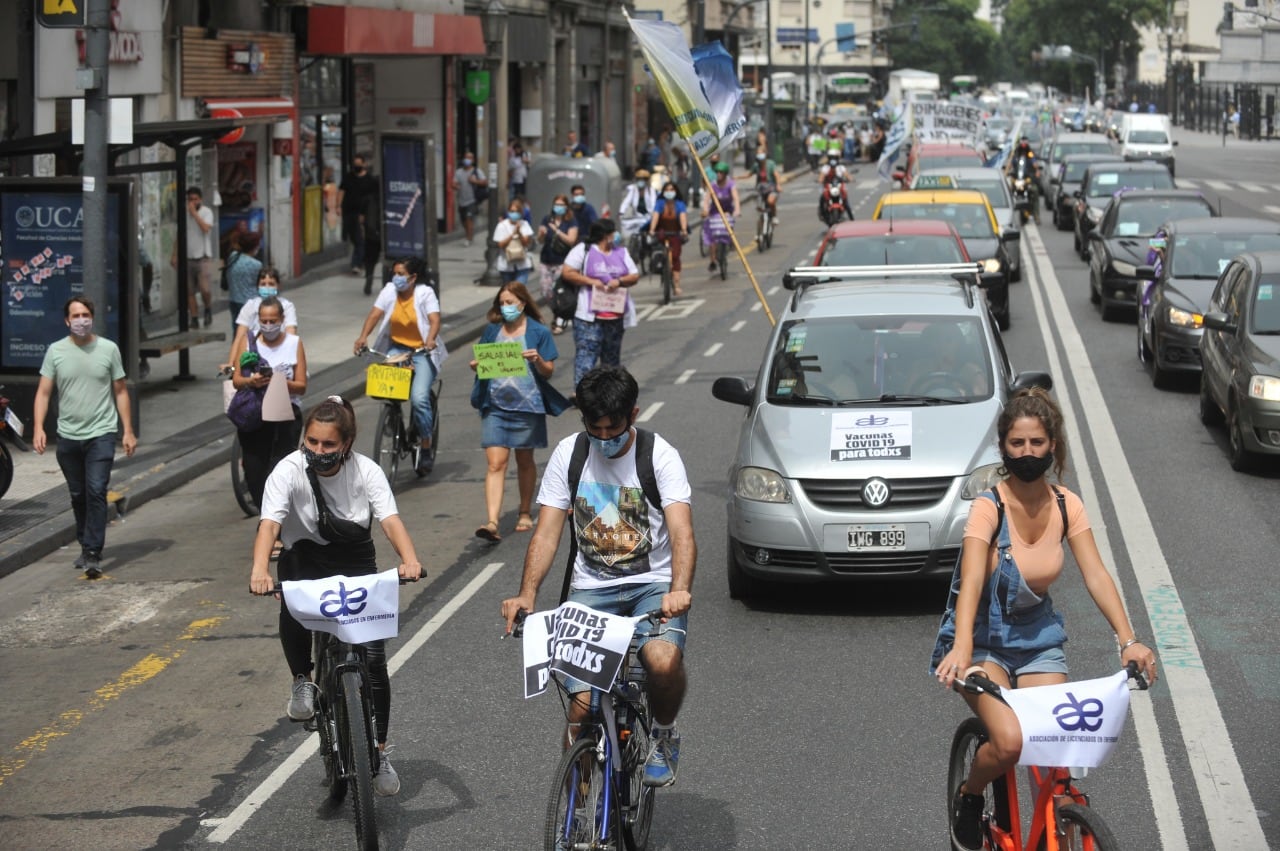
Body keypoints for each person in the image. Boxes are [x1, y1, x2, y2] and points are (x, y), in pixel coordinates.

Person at [930, 388, 1158, 851]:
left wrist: (1128, 640)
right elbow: (971, 580)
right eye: (1017, 444)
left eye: (1037, 443)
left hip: (1038, 640)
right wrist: (961, 650)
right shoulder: (987, 508)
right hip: (984, 642)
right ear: (1003, 447)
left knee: (1054, 751)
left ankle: (1052, 830)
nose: (1027, 453)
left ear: (1052, 445)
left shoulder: (1064, 504)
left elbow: (1095, 573)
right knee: (1011, 743)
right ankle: (971, 795)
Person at [501, 365, 696, 788]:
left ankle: (663, 734)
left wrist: (678, 589)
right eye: (596, 428)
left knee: (662, 662)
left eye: (614, 428)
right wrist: (526, 595)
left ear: (634, 415)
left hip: (653, 585)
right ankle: (581, 808)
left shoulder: (658, 455)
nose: (604, 438)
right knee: (582, 706)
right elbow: (548, 530)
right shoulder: (570, 456)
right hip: (591, 587)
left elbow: (681, 532)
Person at [249, 396, 423, 797]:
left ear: (346, 443)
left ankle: (378, 752)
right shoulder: (288, 471)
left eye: (328, 444)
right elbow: (269, 524)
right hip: (304, 557)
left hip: (354, 557)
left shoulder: (367, 471)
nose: (318, 451)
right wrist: (259, 571)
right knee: (291, 604)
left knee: (374, 660)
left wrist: (410, 560)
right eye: (312, 442)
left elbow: (390, 519)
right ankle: (302, 680)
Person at [32, 296, 138, 578]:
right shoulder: (55, 352)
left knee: (95, 490)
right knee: (78, 494)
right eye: (75, 315)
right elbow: (43, 392)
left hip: (101, 433)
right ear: (67, 321)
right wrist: (39, 428)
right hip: (68, 436)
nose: (81, 320)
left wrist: (127, 430)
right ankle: (84, 543)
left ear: (92, 317)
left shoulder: (108, 349)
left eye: (86, 314)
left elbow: (120, 391)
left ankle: (92, 551)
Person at [469, 283, 571, 542]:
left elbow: (548, 371)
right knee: (495, 463)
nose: (506, 308)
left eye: (511, 303)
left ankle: (524, 511)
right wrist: (477, 365)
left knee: (525, 461)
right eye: (502, 303)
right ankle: (492, 521)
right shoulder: (493, 331)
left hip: (528, 406)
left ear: (523, 304)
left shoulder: (538, 332)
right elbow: (483, 362)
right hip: (495, 406)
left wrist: (537, 360)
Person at [353, 258, 445, 474]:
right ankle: (393, 420)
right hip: (397, 349)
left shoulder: (425, 293)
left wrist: (430, 340)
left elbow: (434, 320)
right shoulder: (389, 291)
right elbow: (375, 314)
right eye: (394, 273)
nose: (396, 278)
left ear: (413, 278)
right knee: (387, 389)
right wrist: (362, 337)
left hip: (422, 351)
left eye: (400, 274)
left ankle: (425, 444)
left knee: (420, 397)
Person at [234, 297, 307, 509]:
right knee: (255, 471)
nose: (268, 326)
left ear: (282, 319)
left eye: (273, 320)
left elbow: (301, 385)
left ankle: (276, 523)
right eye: (263, 321)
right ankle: (266, 514)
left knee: (281, 469)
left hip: (285, 414)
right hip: (255, 414)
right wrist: (252, 381)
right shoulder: (248, 343)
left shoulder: (294, 343)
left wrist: (281, 382)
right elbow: (237, 380)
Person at [560, 219, 639, 387]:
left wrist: (619, 281)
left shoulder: (621, 252)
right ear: (606, 235)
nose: (615, 236)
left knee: (611, 359)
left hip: (615, 315)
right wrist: (591, 281)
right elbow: (567, 272)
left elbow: (634, 275)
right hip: (589, 316)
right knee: (586, 355)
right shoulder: (584, 250)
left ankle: (610, 391)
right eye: (613, 232)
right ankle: (581, 392)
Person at [223, 267, 298, 374]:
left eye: (271, 284)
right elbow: (239, 337)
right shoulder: (250, 306)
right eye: (263, 284)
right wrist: (231, 364)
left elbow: (291, 334)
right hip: (253, 359)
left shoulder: (287, 306)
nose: (267, 287)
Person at [170, 187, 215, 329]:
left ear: (200, 199)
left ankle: (208, 308)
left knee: (205, 289)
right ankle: (194, 317)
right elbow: (179, 235)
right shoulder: (183, 214)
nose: (192, 202)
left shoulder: (207, 212)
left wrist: (194, 213)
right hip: (187, 257)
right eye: (190, 199)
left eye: (195, 199)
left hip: (203, 256)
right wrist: (175, 254)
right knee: (189, 291)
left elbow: (206, 228)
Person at [536, 194, 579, 334]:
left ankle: (559, 318)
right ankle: (559, 312)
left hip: (562, 261)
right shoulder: (547, 219)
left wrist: (557, 231)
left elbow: (571, 240)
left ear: (566, 207)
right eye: (556, 204)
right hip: (546, 260)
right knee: (546, 291)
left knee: (560, 291)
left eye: (561, 205)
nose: (558, 207)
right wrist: (541, 234)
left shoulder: (571, 222)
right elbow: (540, 240)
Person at [338, 154, 379, 276]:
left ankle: (356, 263)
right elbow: (341, 191)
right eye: (355, 164)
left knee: (360, 239)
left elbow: (374, 198)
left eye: (359, 164)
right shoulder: (348, 178)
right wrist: (337, 206)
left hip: (363, 214)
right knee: (354, 238)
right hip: (348, 212)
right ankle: (361, 261)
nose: (357, 167)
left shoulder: (370, 180)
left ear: (364, 164)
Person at [648, 181, 690, 296]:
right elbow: (655, 216)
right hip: (662, 232)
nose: (669, 192)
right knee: (658, 250)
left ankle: (676, 285)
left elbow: (682, 217)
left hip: (675, 233)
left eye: (672, 190)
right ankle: (660, 266)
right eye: (667, 190)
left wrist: (684, 230)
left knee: (675, 257)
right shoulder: (660, 203)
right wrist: (652, 230)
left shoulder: (679, 204)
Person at [223, 231, 263, 334]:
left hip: (234, 300)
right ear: (254, 247)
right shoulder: (256, 265)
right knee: (251, 333)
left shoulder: (233, 257)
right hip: (250, 302)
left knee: (237, 331)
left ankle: (237, 349)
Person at [702, 162, 739, 273]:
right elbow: (707, 200)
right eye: (717, 172)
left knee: (729, 225)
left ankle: (730, 241)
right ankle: (713, 260)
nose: (718, 174)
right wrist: (705, 210)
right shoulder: (712, 185)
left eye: (721, 173)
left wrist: (737, 210)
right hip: (715, 213)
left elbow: (736, 198)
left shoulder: (730, 184)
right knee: (712, 237)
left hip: (727, 212)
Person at [493, 198, 535, 285]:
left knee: (519, 290)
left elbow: (526, 243)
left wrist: (519, 232)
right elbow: (500, 244)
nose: (514, 214)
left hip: (522, 264)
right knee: (509, 291)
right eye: (512, 211)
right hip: (506, 265)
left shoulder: (525, 224)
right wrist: (512, 235)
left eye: (516, 211)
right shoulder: (502, 226)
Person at [452, 151, 483, 247]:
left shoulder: (477, 171)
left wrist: (475, 181)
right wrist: (455, 186)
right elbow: (453, 183)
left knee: (469, 219)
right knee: (464, 221)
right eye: (466, 158)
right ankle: (470, 233)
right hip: (461, 201)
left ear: (473, 160)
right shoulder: (458, 172)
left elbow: (485, 182)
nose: (467, 160)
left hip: (472, 200)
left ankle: (468, 239)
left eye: (469, 158)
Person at [753, 149, 781, 222]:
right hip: (761, 188)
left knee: (771, 201)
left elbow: (776, 175)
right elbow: (749, 174)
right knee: (758, 206)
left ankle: (774, 216)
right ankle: (761, 224)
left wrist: (778, 185)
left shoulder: (770, 164)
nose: (759, 155)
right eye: (758, 153)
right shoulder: (756, 165)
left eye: (761, 153)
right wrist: (737, 178)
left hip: (771, 187)